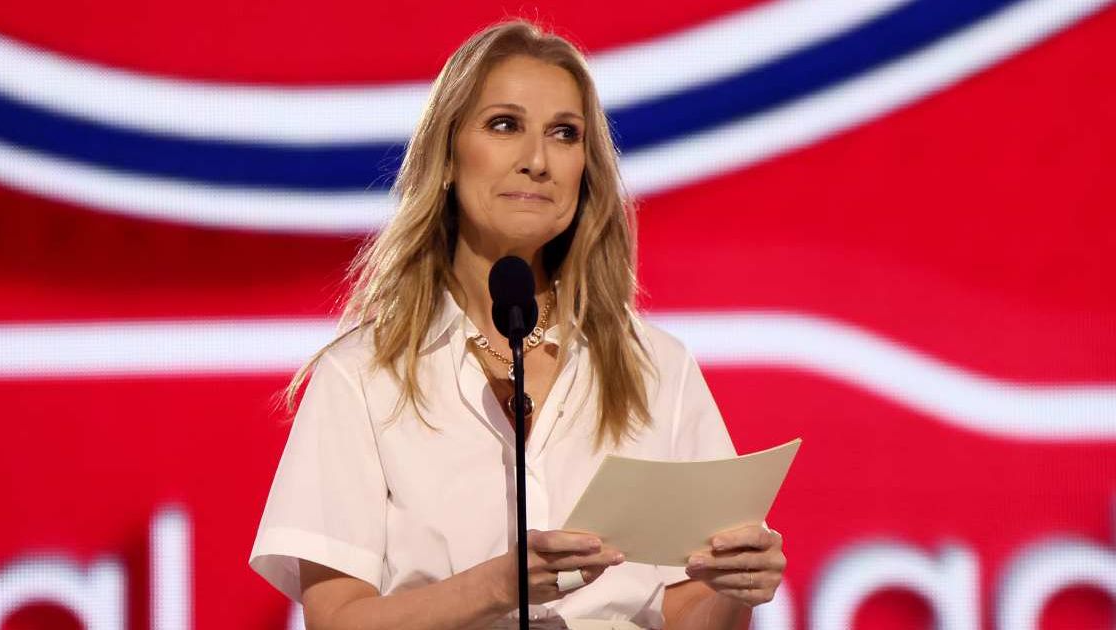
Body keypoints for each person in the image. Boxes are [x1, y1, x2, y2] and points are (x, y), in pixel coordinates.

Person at [249, 19, 786, 630]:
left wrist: (735, 589)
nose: (537, 161)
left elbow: (688, 610)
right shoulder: (362, 377)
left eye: (565, 133)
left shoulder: (658, 368)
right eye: (505, 125)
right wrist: (499, 586)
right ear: (447, 157)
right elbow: (337, 621)